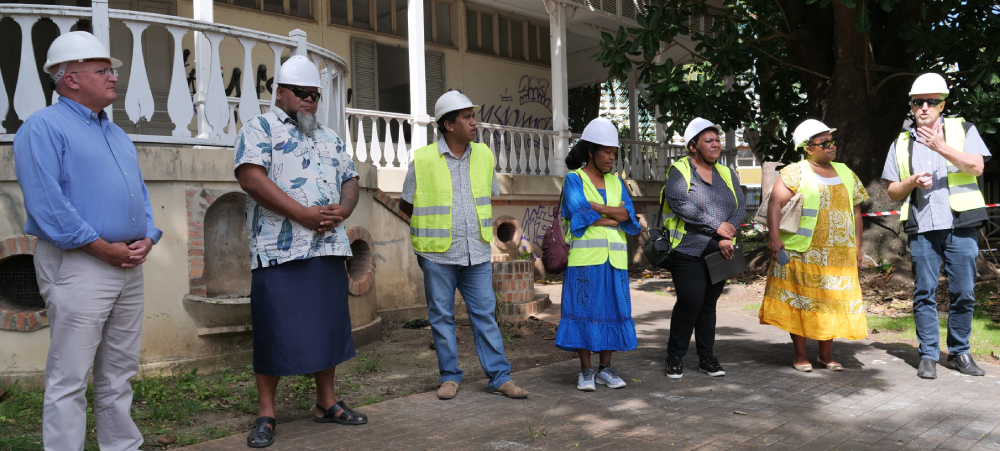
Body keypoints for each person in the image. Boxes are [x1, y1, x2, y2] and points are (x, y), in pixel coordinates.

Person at [13, 31, 160, 451]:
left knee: (119, 371)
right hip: (80, 262)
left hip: (128, 263)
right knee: (69, 376)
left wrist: (147, 237)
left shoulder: (115, 134)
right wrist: (103, 248)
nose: (114, 77)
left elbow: (141, 195)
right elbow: (48, 205)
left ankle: (122, 447)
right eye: (103, 70)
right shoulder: (42, 127)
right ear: (70, 78)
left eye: (111, 70)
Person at [235, 55, 367, 448]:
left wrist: (343, 209)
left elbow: (351, 179)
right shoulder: (260, 128)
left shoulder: (329, 136)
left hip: (327, 249)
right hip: (279, 251)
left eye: (315, 94)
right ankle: (266, 413)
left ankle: (326, 403)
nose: (310, 100)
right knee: (274, 329)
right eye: (303, 93)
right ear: (281, 93)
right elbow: (251, 178)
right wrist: (303, 215)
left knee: (328, 327)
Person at [398, 91, 528, 400]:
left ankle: (499, 377)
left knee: (485, 314)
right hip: (436, 252)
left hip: (477, 251)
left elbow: (487, 195)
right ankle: (449, 377)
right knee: (441, 317)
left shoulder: (483, 155)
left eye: (473, 115)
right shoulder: (424, 159)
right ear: (448, 125)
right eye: (467, 117)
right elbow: (406, 204)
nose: (474, 122)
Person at [882, 73, 991, 379]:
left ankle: (959, 353)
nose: (925, 107)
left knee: (964, 292)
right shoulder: (902, 142)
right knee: (924, 291)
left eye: (932, 101)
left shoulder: (963, 129)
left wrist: (942, 147)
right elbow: (892, 190)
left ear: (943, 104)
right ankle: (928, 354)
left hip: (961, 224)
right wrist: (911, 182)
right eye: (919, 102)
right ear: (912, 106)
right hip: (923, 226)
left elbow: (977, 166)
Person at [759, 120, 869, 372]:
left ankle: (826, 355)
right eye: (825, 143)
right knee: (801, 303)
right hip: (802, 251)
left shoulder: (846, 172)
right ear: (809, 149)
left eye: (833, 141)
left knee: (831, 303)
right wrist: (774, 238)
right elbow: (775, 203)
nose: (832, 146)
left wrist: (858, 247)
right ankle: (800, 355)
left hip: (839, 255)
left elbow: (856, 211)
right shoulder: (796, 171)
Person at [555, 118, 640, 391]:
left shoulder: (616, 182)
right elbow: (580, 214)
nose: (611, 157)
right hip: (585, 261)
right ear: (591, 151)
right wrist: (610, 216)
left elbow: (629, 215)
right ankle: (586, 371)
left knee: (614, 309)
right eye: (606, 151)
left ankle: (605, 369)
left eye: (614, 152)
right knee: (583, 311)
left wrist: (597, 209)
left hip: (614, 261)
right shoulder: (573, 179)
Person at [662, 118, 746, 379]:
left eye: (717, 140)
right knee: (690, 302)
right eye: (708, 141)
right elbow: (681, 205)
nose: (716, 145)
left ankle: (706, 357)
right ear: (693, 146)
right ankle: (675, 357)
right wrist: (717, 227)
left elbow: (740, 206)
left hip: (721, 249)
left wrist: (726, 234)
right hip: (688, 248)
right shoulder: (680, 170)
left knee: (709, 305)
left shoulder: (727, 173)